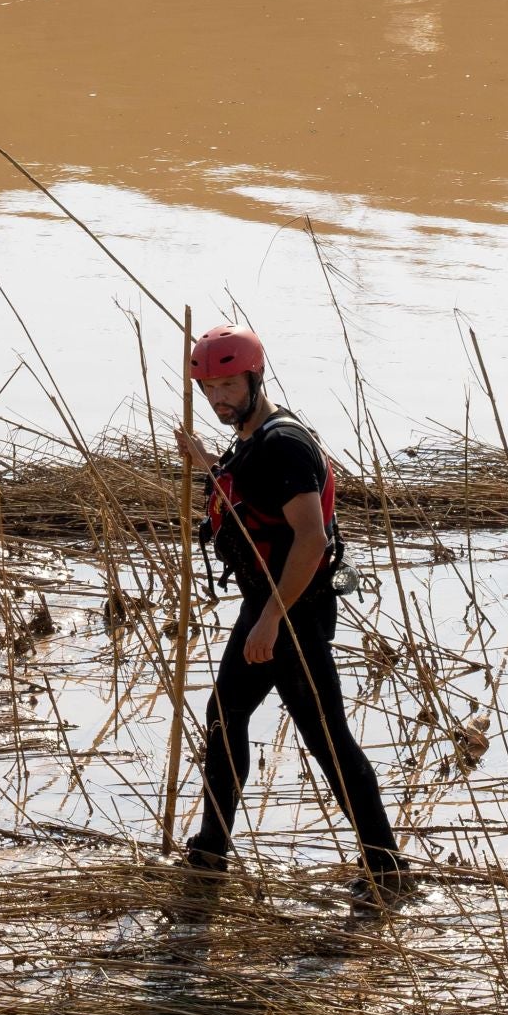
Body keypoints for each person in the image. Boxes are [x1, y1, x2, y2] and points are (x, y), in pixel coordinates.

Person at [172, 325, 410, 908]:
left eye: (229, 385)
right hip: (269, 606)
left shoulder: (285, 444)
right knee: (225, 718)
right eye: (209, 388)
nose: (218, 398)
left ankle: (387, 868)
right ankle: (210, 854)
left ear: (256, 378)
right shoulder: (251, 439)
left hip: (293, 611)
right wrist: (207, 463)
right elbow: (252, 502)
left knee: (327, 739)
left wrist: (271, 619)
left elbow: (311, 541)